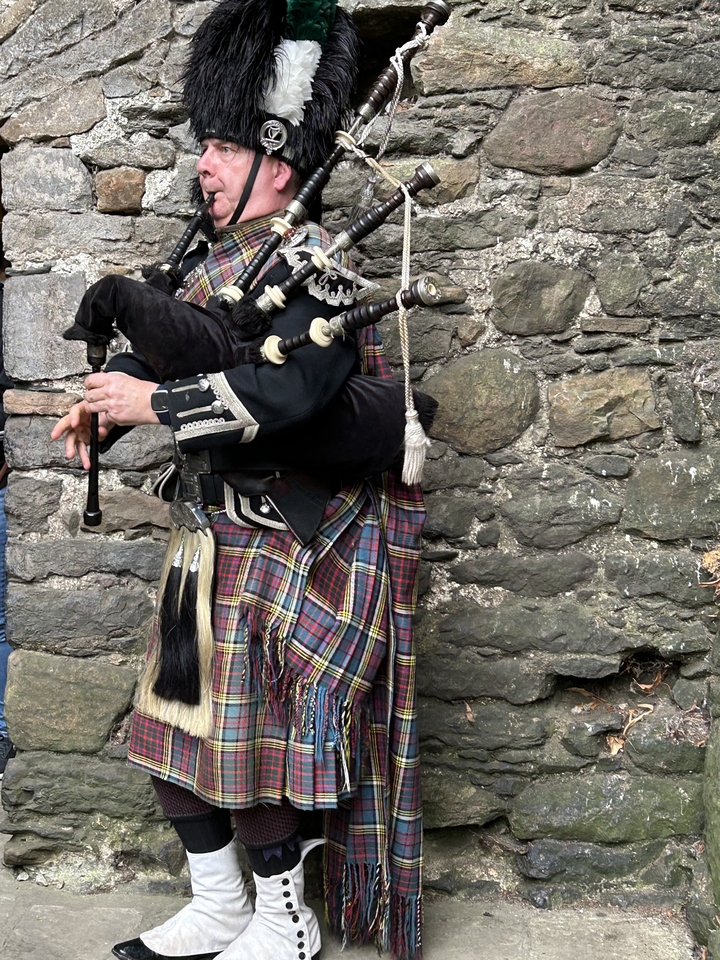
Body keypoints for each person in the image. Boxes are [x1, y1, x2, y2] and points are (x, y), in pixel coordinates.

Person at [52, 3, 426, 959]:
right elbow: (178, 364)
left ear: (279, 162)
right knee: (171, 734)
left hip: (292, 543)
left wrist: (155, 407)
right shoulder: (206, 266)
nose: (202, 167)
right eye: (204, 147)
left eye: (220, 147)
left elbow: (292, 391)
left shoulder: (317, 267)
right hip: (207, 542)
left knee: (254, 754)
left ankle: (284, 925)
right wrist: (100, 409)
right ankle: (219, 905)